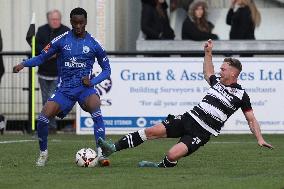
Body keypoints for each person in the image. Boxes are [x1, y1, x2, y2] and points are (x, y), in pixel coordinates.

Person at [98, 39, 273, 168]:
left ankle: (161, 166)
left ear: (234, 73)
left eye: (224, 69)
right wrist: (208, 52)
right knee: (151, 131)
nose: (220, 70)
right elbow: (208, 72)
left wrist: (259, 138)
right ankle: (112, 148)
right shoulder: (217, 83)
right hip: (188, 118)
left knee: (172, 154)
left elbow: (251, 119)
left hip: (202, 131)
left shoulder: (241, 95)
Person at [13, 7, 111, 167]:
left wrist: (92, 82)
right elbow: (41, 57)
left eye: (81, 23)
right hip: (65, 89)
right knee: (43, 118)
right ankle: (43, 154)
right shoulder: (61, 40)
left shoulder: (94, 43)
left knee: (95, 106)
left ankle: (101, 153)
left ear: (85, 22)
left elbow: (107, 70)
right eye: (75, 23)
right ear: (71, 22)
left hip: (85, 89)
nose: (78, 26)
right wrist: (23, 64)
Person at [35, 10, 70, 133]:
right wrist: (48, 53)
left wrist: (54, 53)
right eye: (52, 19)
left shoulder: (66, 31)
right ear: (48, 20)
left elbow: (68, 47)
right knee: (45, 99)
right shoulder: (41, 30)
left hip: (59, 74)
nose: (55, 21)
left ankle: (50, 125)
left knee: (52, 99)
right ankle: (50, 125)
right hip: (43, 73)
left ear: (60, 19)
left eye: (57, 19)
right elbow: (37, 46)